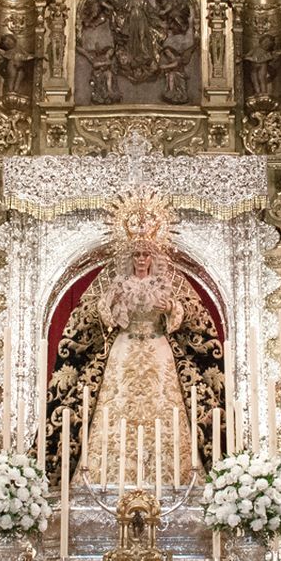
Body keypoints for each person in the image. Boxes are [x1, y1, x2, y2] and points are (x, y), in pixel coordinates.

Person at [82, 188, 194, 485]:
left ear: (153, 256)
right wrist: (113, 303)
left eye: (146, 253)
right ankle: (111, 475)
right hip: (126, 348)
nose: (142, 258)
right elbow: (106, 318)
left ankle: (171, 477)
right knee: (119, 406)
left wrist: (170, 308)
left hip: (157, 349)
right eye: (137, 253)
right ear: (130, 256)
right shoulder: (119, 282)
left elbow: (180, 314)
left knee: (162, 404)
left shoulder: (164, 282)